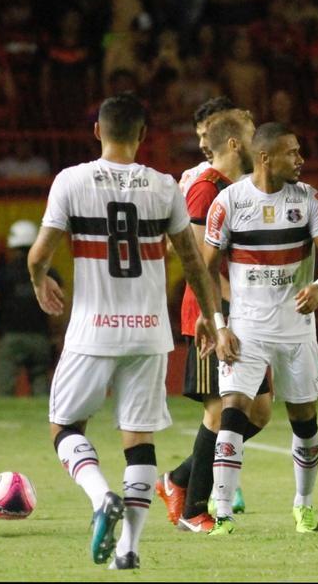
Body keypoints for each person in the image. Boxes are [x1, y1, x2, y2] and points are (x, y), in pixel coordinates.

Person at [28, 93, 230, 569]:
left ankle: (101, 497)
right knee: (139, 438)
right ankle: (130, 550)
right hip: (149, 333)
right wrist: (213, 317)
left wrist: (41, 281)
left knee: (65, 426)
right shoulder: (164, 187)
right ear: (142, 135)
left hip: (92, 332)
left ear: (97, 131)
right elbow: (193, 261)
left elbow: (39, 255)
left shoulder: (71, 181)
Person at [203, 122, 318, 536]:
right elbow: (205, 269)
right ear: (265, 158)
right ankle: (222, 511)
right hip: (246, 329)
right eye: (292, 153)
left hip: (296, 329)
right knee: (233, 410)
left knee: (304, 419)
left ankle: (304, 505)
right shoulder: (229, 202)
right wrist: (219, 324)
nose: (301, 160)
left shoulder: (309, 199)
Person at [156, 109, 272, 534]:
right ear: (237, 144)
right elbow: (198, 265)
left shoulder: (236, 189)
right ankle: (194, 511)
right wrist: (223, 313)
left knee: (258, 412)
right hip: (211, 316)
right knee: (219, 410)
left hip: (243, 316)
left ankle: (178, 478)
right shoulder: (205, 190)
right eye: (252, 133)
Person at [0, 220, 65, 396]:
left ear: (11, 246)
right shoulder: (49, 272)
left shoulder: (3, 272)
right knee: (41, 389)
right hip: (40, 338)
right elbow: (63, 303)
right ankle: (42, 422)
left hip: (10, 339)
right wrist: (57, 333)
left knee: (5, 390)